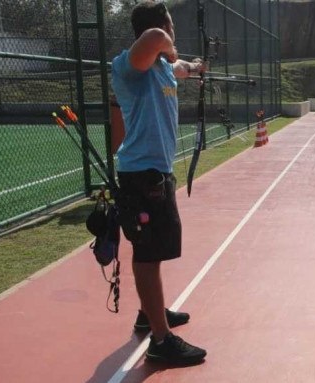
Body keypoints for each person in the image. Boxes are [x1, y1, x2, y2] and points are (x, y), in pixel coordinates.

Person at [110, 0, 207, 366]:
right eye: (169, 27)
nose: (172, 34)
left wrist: (195, 67)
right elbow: (155, 39)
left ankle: (148, 313)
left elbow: (180, 67)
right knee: (149, 254)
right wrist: (167, 43)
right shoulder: (130, 66)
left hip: (156, 172)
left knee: (153, 249)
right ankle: (161, 340)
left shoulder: (164, 68)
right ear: (160, 28)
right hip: (142, 174)